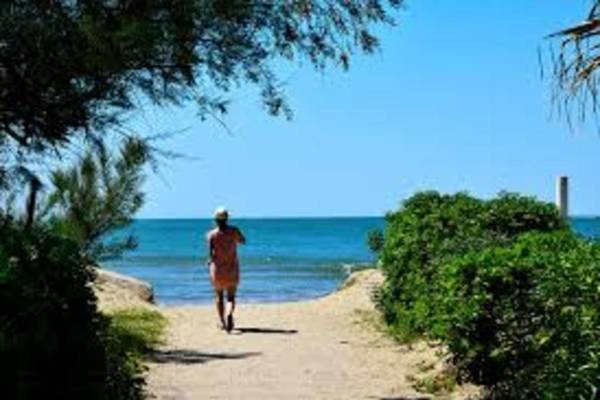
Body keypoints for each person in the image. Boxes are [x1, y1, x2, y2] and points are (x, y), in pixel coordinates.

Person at [206, 207, 246, 332]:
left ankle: (222, 322)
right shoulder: (234, 231)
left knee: (218, 296)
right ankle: (229, 314)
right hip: (232, 269)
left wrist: (209, 261)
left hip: (217, 270)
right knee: (231, 297)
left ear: (215, 219)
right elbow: (243, 241)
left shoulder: (211, 235)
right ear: (227, 218)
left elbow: (211, 254)